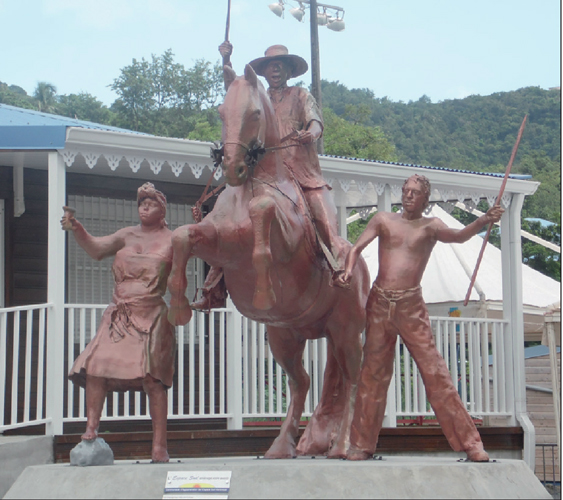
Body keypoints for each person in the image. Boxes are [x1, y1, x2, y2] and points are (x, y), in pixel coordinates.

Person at [333, 174, 504, 462]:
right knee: (371, 377)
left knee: (435, 372)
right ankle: (361, 444)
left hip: (410, 306)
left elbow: (459, 237)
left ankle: (470, 443)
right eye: (406, 190)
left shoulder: (431, 226)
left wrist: (484, 220)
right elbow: (355, 248)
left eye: (415, 192)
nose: (409, 195)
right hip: (379, 303)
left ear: (426, 199)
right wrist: (348, 270)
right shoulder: (383, 220)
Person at [190, 42, 341, 311]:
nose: (275, 70)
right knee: (228, 218)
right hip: (263, 171)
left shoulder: (301, 95)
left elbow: (315, 120)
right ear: (263, 71)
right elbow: (235, 99)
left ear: (288, 70)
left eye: (280, 66)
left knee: (323, 214)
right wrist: (226, 58)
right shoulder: (256, 95)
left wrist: (312, 133)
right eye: (271, 66)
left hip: (300, 169)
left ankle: (338, 268)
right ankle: (214, 288)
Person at [62, 182, 175, 463]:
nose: (144, 207)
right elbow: (97, 249)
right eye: (141, 203)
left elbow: (199, 257)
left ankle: (159, 445)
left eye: (151, 203)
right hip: (119, 313)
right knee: (96, 369)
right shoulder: (126, 234)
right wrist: (77, 228)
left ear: (163, 210)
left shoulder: (174, 239)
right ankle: (91, 428)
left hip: (152, 313)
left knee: (153, 378)